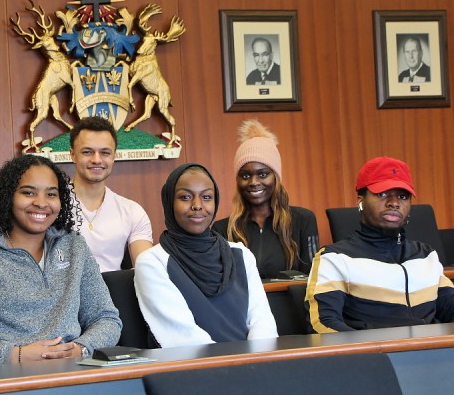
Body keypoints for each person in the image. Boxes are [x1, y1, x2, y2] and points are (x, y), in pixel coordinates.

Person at [0, 154, 121, 367]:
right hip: (3, 378)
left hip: (73, 372)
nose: (41, 203)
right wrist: (14, 355)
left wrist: (81, 348)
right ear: (8, 197)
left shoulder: (74, 247)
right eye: (28, 193)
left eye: (51, 194)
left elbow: (106, 319)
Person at [134, 163, 278, 348]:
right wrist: (234, 367)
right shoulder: (152, 262)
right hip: (194, 370)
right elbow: (182, 337)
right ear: (169, 202)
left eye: (206, 197)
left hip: (253, 367)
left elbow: (262, 323)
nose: (197, 205)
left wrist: (258, 363)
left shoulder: (241, 254)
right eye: (185, 197)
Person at [307, 156, 454, 333]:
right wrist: (371, 354)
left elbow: (450, 308)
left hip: (432, 355)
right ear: (360, 201)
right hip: (372, 357)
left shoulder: (426, 255)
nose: (394, 203)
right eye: (382, 194)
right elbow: (322, 323)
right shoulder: (334, 258)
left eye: (403, 196)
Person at [212, 119, 319, 279]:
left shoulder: (303, 220)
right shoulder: (222, 230)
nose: (254, 182)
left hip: (291, 304)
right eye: (245, 175)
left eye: (262, 174)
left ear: (276, 177)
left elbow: (313, 280)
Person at [69, 116, 153, 272]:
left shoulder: (131, 211)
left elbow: (147, 270)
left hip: (113, 294)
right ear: (73, 155)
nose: (96, 159)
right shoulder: (50, 207)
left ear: (114, 156)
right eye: (87, 152)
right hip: (65, 295)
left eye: (105, 153)